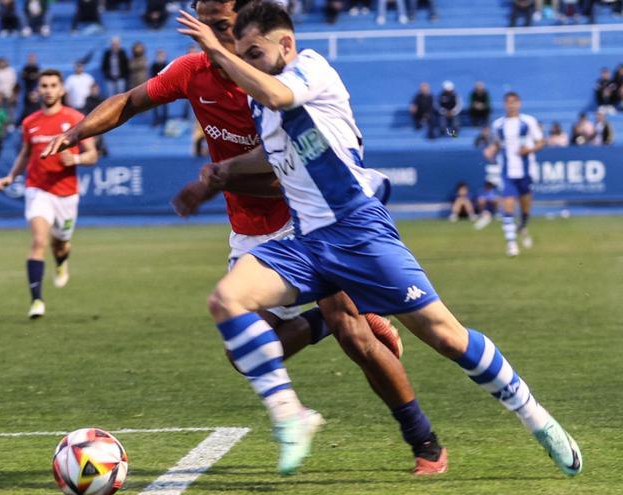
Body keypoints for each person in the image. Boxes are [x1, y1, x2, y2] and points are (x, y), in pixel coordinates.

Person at [43, 0, 450, 477]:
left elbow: (281, 177)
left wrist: (216, 179)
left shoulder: (272, 83)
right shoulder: (193, 70)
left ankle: (424, 441)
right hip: (248, 230)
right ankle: (322, 321)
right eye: (202, 23)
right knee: (244, 353)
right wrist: (77, 132)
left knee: (355, 334)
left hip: (307, 223)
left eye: (219, 26)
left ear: (245, 29)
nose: (208, 35)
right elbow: (130, 101)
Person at [176, 1, 581, 477]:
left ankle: (538, 419)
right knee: (227, 300)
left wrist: (219, 55)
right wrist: (220, 173)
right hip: (306, 244)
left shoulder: (311, 69)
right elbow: (271, 155)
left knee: (448, 338)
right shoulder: (261, 102)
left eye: (254, 53)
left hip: (359, 234)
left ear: (285, 44)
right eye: (240, 53)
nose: (245, 61)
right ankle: (292, 417)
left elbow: (282, 97)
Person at [0, 69, 99, 318]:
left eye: (53, 85)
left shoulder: (76, 118)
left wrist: (73, 158)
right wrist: (11, 176)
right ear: (38, 90)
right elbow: (25, 153)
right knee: (39, 241)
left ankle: (62, 262)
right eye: (44, 85)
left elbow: (93, 155)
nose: (49, 89)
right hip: (37, 189)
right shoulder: (30, 123)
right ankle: (37, 301)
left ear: (62, 89)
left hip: (66, 193)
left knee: (60, 244)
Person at [484, 92, 543, 257]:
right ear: (504, 104)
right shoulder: (498, 125)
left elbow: (540, 142)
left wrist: (529, 149)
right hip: (507, 172)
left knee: (525, 207)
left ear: (519, 103)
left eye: (514, 102)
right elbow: (497, 144)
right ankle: (511, 244)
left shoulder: (528, 122)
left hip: (526, 172)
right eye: (508, 102)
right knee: (508, 205)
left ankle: (523, 225)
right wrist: (490, 151)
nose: (511, 105)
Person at [150, 49, 169, 127]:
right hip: (156, 88)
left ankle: (164, 120)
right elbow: (152, 77)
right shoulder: (153, 66)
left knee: (165, 105)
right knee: (155, 105)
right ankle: (156, 120)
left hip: (165, 88)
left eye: (162, 56)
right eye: (159, 56)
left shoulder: (167, 65)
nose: (160, 57)